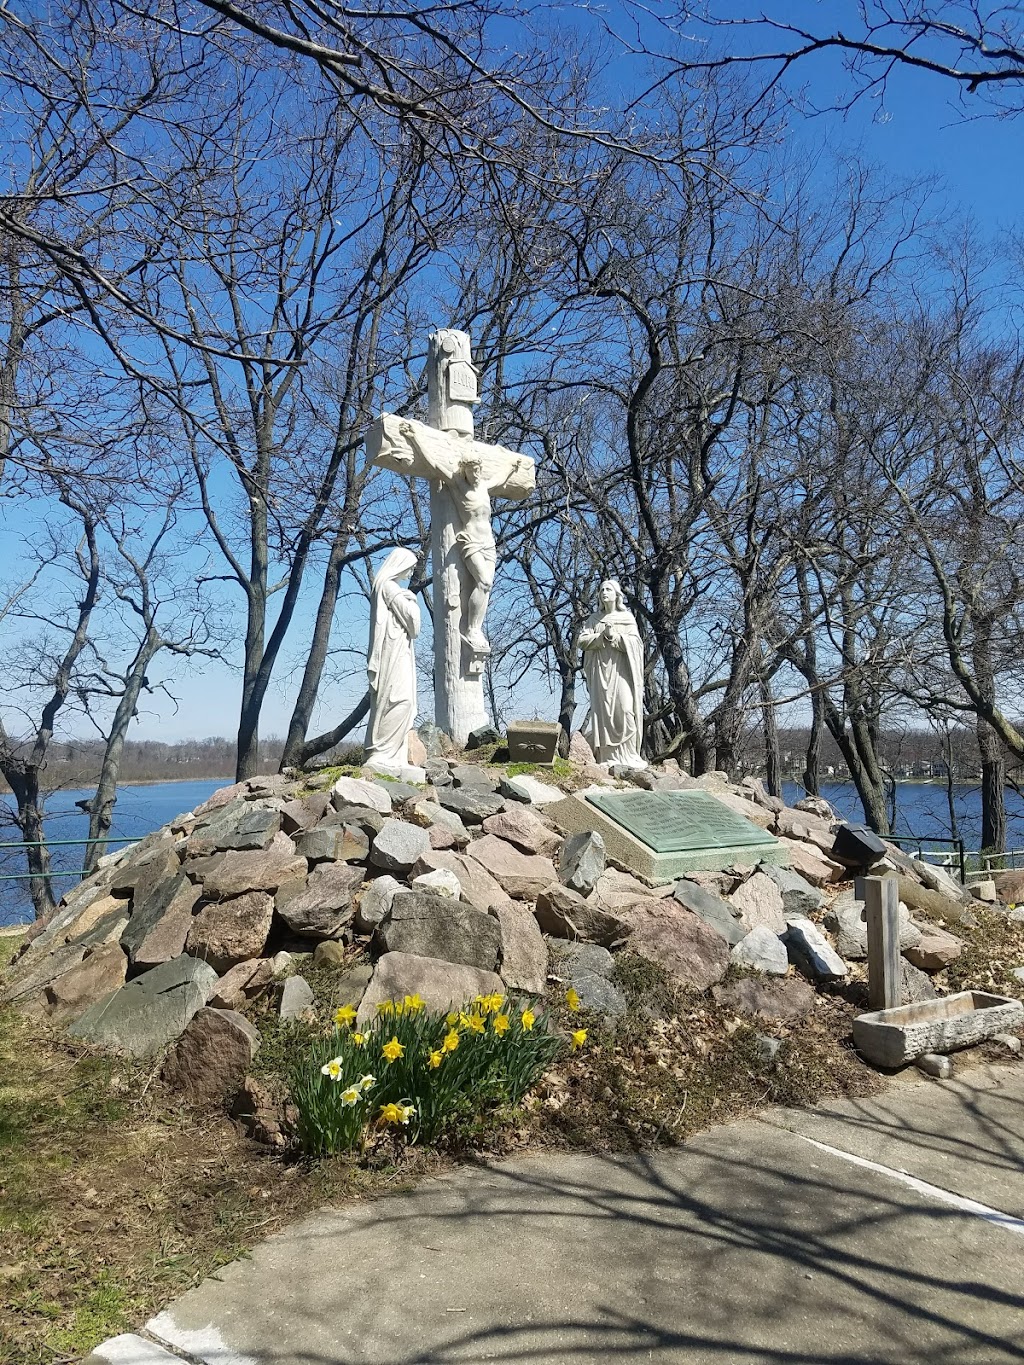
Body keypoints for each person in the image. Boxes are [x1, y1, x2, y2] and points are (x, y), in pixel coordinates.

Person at [579, 580, 646, 768]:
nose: (604, 593)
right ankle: (608, 757)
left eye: (608, 589)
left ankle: (629, 755)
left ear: (617, 595)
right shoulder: (593, 619)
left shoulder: (627, 618)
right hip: (601, 672)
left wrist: (616, 637)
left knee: (625, 709)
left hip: (621, 671)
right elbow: (582, 641)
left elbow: (637, 644)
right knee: (603, 714)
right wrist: (601, 637)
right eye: (601, 590)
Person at [365, 548, 420, 772]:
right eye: (411, 566)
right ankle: (382, 753)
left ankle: (393, 754)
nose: (412, 570)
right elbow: (414, 625)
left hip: (398, 650)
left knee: (399, 700)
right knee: (398, 699)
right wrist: (412, 599)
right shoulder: (389, 587)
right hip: (393, 653)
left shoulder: (389, 588)